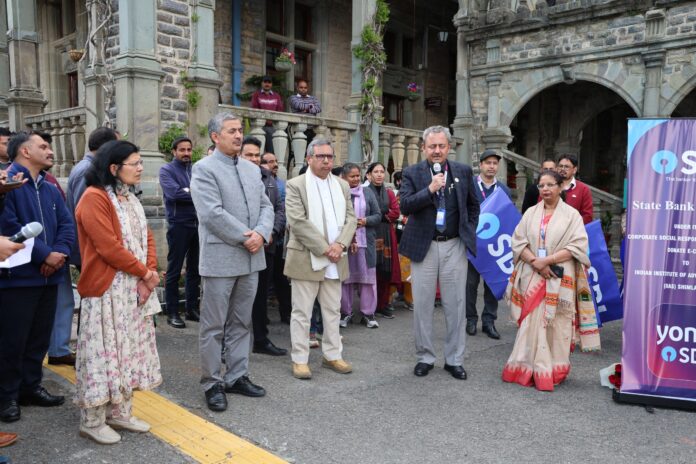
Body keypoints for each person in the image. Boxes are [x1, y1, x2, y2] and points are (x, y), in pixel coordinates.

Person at [73, 140, 161, 444]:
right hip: (106, 290)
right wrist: (145, 274)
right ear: (114, 168)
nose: (140, 168)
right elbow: (108, 247)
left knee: (127, 352)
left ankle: (120, 412)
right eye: (134, 163)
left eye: (140, 162)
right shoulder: (93, 198)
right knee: (102, 354)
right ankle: (93, 420)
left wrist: (149, 273)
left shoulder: (130, 198)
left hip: (133, 290)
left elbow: (147, 237)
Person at [190, 112, 274, 412]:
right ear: (215, 136)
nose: (238, 135)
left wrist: (261, 234)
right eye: (231, 131)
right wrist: (246, 237)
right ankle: (212, 382)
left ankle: (237, 375)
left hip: (251, 258)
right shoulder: (203, 169)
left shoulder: (252, 169)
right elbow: (211, 214)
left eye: (240, 130)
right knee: (214, 325)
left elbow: (266, 206)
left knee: (241, 321)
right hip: (221, 259)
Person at [0, 131, 74, 423]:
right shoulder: (7, 184)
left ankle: (30, 387)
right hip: (18, 278)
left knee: (38, 338)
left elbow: (66, 223)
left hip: (49, 277)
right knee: (12, 340)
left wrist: (60, 253)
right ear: (25, 152)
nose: (50, 151)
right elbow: (9, 225)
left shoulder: (50, 187)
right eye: (43, 146)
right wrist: (45, 255)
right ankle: (6, 395)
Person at [502, 170, 600, 391]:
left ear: (560, 187)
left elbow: (577, 246)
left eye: (550, 185)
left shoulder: (572, 215)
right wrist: (535, 261)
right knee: (530, 322)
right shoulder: (530, 213)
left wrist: (547, 261)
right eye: (541, 185)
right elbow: (518, 241)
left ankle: (552, 370)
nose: (545, 189)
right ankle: (524, 367)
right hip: (532, 273)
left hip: (559, 274)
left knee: (557, 323)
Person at [399, 125, 479, 380]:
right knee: (422, 305)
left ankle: (454, 360)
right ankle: (425, 357)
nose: (436, 151)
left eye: (441, 146)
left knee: (455, 305)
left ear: (449, 147)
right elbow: (405, 205)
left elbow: (474, 205)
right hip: (424, 246)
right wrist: (430, 189)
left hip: (454, 244)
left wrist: (468, 229)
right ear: (424, 148)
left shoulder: (463, 171)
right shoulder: (412, 172)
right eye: (432, 146)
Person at [284, 138, 357, 380]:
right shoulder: (295, 185)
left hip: (336, 258)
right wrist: (327, 249)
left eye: (329, 156)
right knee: (302, 312)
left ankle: (332, 355)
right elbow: (297, 222)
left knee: (332, 310)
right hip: (307, 256)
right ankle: (299, 359)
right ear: (309, 159)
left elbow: (351, 219)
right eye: (320, 156)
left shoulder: (342, 185)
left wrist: (340, 244)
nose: (326, 161)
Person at [239, 137, 287, 356]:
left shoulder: (269, 179)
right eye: (248, 155)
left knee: (260, 296)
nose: (253, 159)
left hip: (266, 246)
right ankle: (227, 343)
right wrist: (251, 236)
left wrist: (270, 232)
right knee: (236, 298)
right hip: (242, 245)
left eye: (256, 155)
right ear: (239, 155)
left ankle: (260, 339)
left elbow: (278, 209)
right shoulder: (233, 177)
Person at [465, 149, 512, 340]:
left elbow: (507, 217)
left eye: (495, 163)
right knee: (470, 284)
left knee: (493, 284)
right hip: (473, 244)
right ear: (481, 165)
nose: (491, 166)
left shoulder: (504, 190)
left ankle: (489, 321)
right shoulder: (469, 186)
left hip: (494, 246)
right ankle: (470, 319)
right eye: (488, 163)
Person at [159, 136, 201, 329]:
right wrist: (193, 193)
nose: (186, 153)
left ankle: (192, 309)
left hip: (198, 224)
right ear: (174, 152)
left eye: (189, 149)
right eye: (182, 150)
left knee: (195, 269)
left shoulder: (196, 169)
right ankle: (173, 312)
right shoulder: (167, 170)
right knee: (174, 270)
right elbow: (174, 194)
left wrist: (188, 191)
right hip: (179, 224)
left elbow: (206, 192)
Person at [340, 163, 381, 329]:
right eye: (352, 176)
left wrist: (365, 221)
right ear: (344, 177)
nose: (356, 179)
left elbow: (378, 215)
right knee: (345, 279)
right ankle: (345, 312)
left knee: (368, 279)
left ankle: (368, 313)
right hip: (345, 243)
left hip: (366, 243)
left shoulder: (367, 192)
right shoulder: (339, 193)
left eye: (358, 175)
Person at [366, 162, 401, 319]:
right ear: (369, 175)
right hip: (370, 233)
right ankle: (370, 306)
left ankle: (383, 304)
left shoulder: (389, 193)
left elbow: (396, 212)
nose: (380, 174)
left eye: (382, 171)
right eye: (376, 171)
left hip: (387, 234)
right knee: (372, 270)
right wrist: (383, 213)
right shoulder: (365, 192)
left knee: (386, 270)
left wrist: (377, 215)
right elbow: (365, 212)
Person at [261, 152, 292, 323]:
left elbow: (283, 209)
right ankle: (262, 316)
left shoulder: (281, 184)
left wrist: (277, 229)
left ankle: (286, 313)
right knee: (264, 280)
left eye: (275, 161)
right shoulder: (260, 182)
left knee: (282, 279)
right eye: (270, 162)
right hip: (265, 238)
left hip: (280, 238)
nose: (275, 164)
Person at [250, 76, 284, 154]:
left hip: (272, 126)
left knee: (271, 150)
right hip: (259, 125)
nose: (267, 84)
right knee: (258, 149)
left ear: (271, 84)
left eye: (269, 82)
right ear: (262, 83)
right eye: (265, 82)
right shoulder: (256, 94)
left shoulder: (276, 96)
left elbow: (280, 110)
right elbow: (254, 108)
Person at [557, 154, 593, 224]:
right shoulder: (549, 186)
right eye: (560, 166)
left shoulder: (584, 189)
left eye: (566, 167)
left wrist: (570, 225)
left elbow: (588, 216)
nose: (562, 169)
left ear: (574, 170)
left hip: (574, 229)